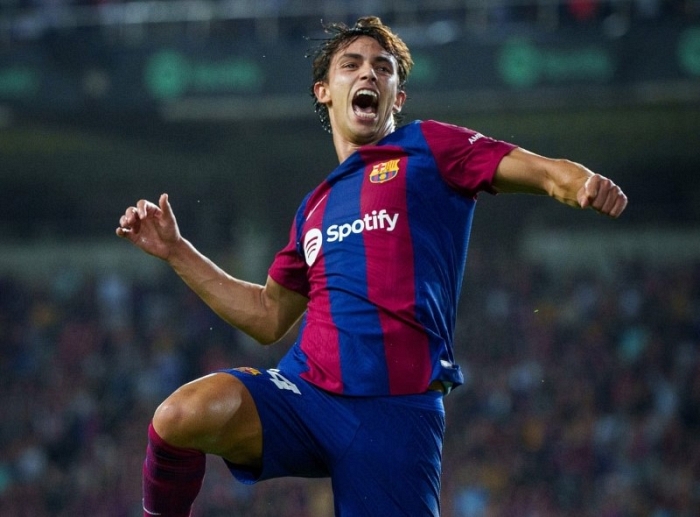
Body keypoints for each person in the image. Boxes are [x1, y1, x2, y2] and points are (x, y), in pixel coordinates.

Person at [116, 16, 628, 517]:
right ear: (324, 91)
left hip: (395, 412)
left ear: (397, 97)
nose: (369, 73)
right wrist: (177, 251)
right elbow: (267, 316)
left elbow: (543, 171)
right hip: (306, 395)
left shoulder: (430, 147)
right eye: (352, 64)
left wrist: (582, 183)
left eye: (383, 68)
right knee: (180, 415)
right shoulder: (314, 207)